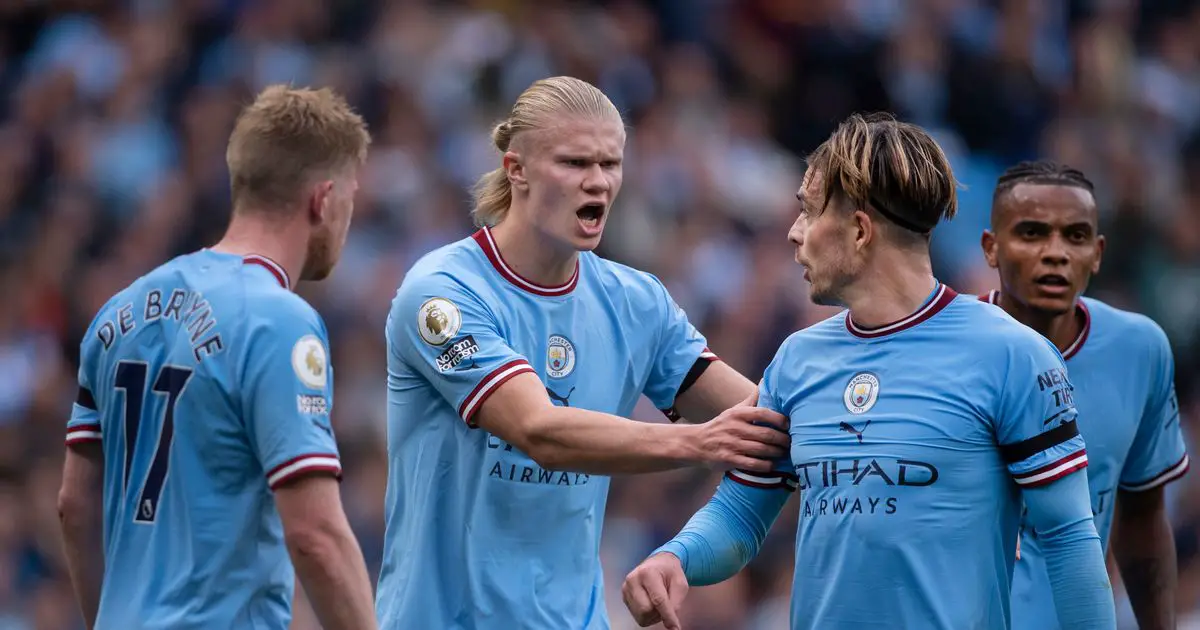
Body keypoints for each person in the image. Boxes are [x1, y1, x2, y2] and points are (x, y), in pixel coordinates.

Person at [622, 113, 1118, 630]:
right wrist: (675, 557)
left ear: (860, 231)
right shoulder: (796, 361)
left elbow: (1070, 542)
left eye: (808, 212)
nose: (794, 234)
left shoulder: (1013, 355)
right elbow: (741, 515)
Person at [375, 75, 790, 629]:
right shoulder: (442, 295)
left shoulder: (637, 303)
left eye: (610, 164)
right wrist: (698, 441)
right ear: (515, 167)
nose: (598, 183)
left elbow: (767, 425)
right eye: (574, 164)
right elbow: (538, 430)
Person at [57, 85, 378, 630]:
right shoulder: (279, 321)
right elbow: (316, 537)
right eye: (349, 200)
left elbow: (74, 505)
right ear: (322, 201)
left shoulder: (119, 311)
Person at [979, 160, 1189, 630]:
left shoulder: (1141, 349)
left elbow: (1142, 514)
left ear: (1097, 253)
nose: (1055, 253)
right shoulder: (948, 349)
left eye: (1075, 237)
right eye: (1031, 233)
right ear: (991, 248)